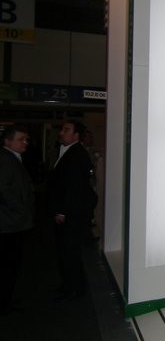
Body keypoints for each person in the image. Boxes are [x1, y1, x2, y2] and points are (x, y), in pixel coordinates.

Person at [49, 120, 98, 300]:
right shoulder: (68, 151)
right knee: (66, 251)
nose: (61, 132)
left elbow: (74, 187)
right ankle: (70, 285)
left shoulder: (77, 154)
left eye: (66, 130)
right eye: (62, 129)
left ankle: (74, 288)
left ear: (76, 135)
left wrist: (62, 211)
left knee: (69, 252)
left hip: (72, 215)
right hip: (70, 213)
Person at [0, 126, 34, 316]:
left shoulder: (12, 157)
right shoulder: (5, 159)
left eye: (26, 139)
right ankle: (4, 302)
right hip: (9, 222)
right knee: (8, 263)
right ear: (7, 141)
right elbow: (2, 189)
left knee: (11, 262)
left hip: (12, 221)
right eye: (21, 139)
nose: (25, 143)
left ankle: (6, 298)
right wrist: (19, 208)